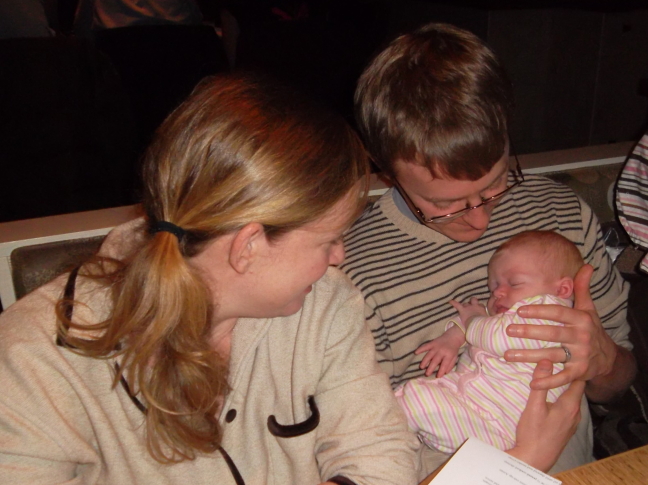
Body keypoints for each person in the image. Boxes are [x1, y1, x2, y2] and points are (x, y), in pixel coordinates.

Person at [0, 74, 420, 484]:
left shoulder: (327, 303)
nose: (339, 258)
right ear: (248, 247)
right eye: (328, 241)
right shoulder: (33, 358)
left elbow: (379, 447)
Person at [341, 22, 637, 476]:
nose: (480, 220)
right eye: (443, 205)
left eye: (497, 183)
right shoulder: (353, 274)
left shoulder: (560, 214)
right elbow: (366, 452)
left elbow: (619, 384)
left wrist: (603, 359)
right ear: (386, 172)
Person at [396, 231, 583, 454]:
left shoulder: (551, 314)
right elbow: (482, 327)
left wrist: (472, 319)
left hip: (501, 424)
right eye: (493, 285)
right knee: (416, 401)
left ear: (562, 290)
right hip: (476, 413)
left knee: (415, 398)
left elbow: (496, 335)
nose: (498, 292)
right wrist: (453, 339)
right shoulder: (504, 317)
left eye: (514, 283)